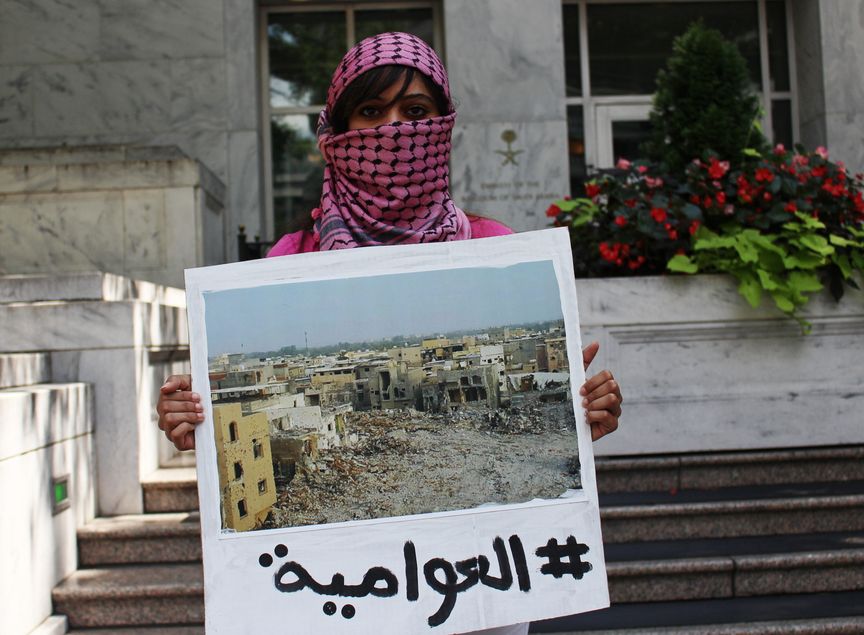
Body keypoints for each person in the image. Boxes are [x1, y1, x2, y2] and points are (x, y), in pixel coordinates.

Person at [156, 32, 622, 635]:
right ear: (337, 131)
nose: (394, 130)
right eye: (371, 112)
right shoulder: (285, 260)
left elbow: (553, 428)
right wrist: (196, 417)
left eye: (416, 113)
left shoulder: (493, 247)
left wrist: (582, 411)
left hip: (479, 589)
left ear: (443, 124)